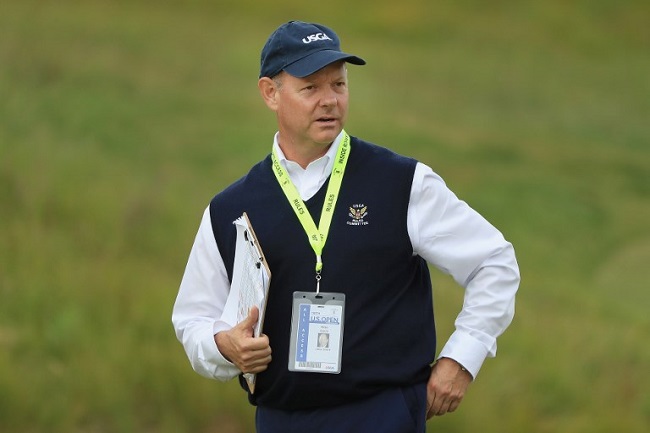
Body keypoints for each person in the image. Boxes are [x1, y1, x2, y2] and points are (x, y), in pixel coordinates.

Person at [172, 20, 520, 433]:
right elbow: (192, 319)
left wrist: (461, 359)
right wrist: (224, 347)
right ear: (270, 93)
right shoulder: (230, 209)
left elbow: (494, 262)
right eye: (311, 88)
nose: (330, 101)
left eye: (338, 84)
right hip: (282, 421)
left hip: (384, 416)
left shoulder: (402, 183)